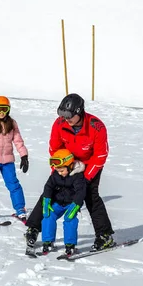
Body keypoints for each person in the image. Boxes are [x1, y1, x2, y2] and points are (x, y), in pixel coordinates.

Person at [24, 93, 115, 251]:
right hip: (65, 163)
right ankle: (32, 228)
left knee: (90, 195)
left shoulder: (96, 126)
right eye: (63, 116)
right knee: (51, 191)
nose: (66, 120)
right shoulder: (60, 124)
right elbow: (54, 148)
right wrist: (58, 170)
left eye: (69, 116)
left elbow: (100, 155)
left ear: (79, 112)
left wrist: (85, 178)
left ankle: (104, 235)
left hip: (88, 165)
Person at [40, 149, 86, 256]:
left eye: (62, 171)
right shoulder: (56, 175)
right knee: (48, 216)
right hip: (58, 203)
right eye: (57, 170)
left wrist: (76, 205)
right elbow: (48, 187)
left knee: (70, 219)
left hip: (71, 204)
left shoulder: (77, 176)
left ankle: (70, 245)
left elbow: (81, 192)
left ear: (70, 166)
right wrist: (46, 200)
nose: (59, 173)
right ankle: (48, 241)